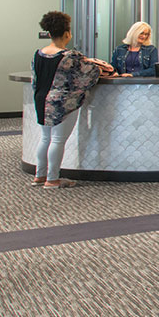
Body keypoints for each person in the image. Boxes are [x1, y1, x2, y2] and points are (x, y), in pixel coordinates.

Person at [30, 11, 110, 189]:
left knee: (45, 139)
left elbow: (34, 79)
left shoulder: (38, 54)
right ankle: (52, 179)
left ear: (49, 33)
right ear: (67, 34)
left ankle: (39, 175)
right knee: (58, 140)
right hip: (61, 103)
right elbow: (91, 73)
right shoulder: (70, 56)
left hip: (41, 99)